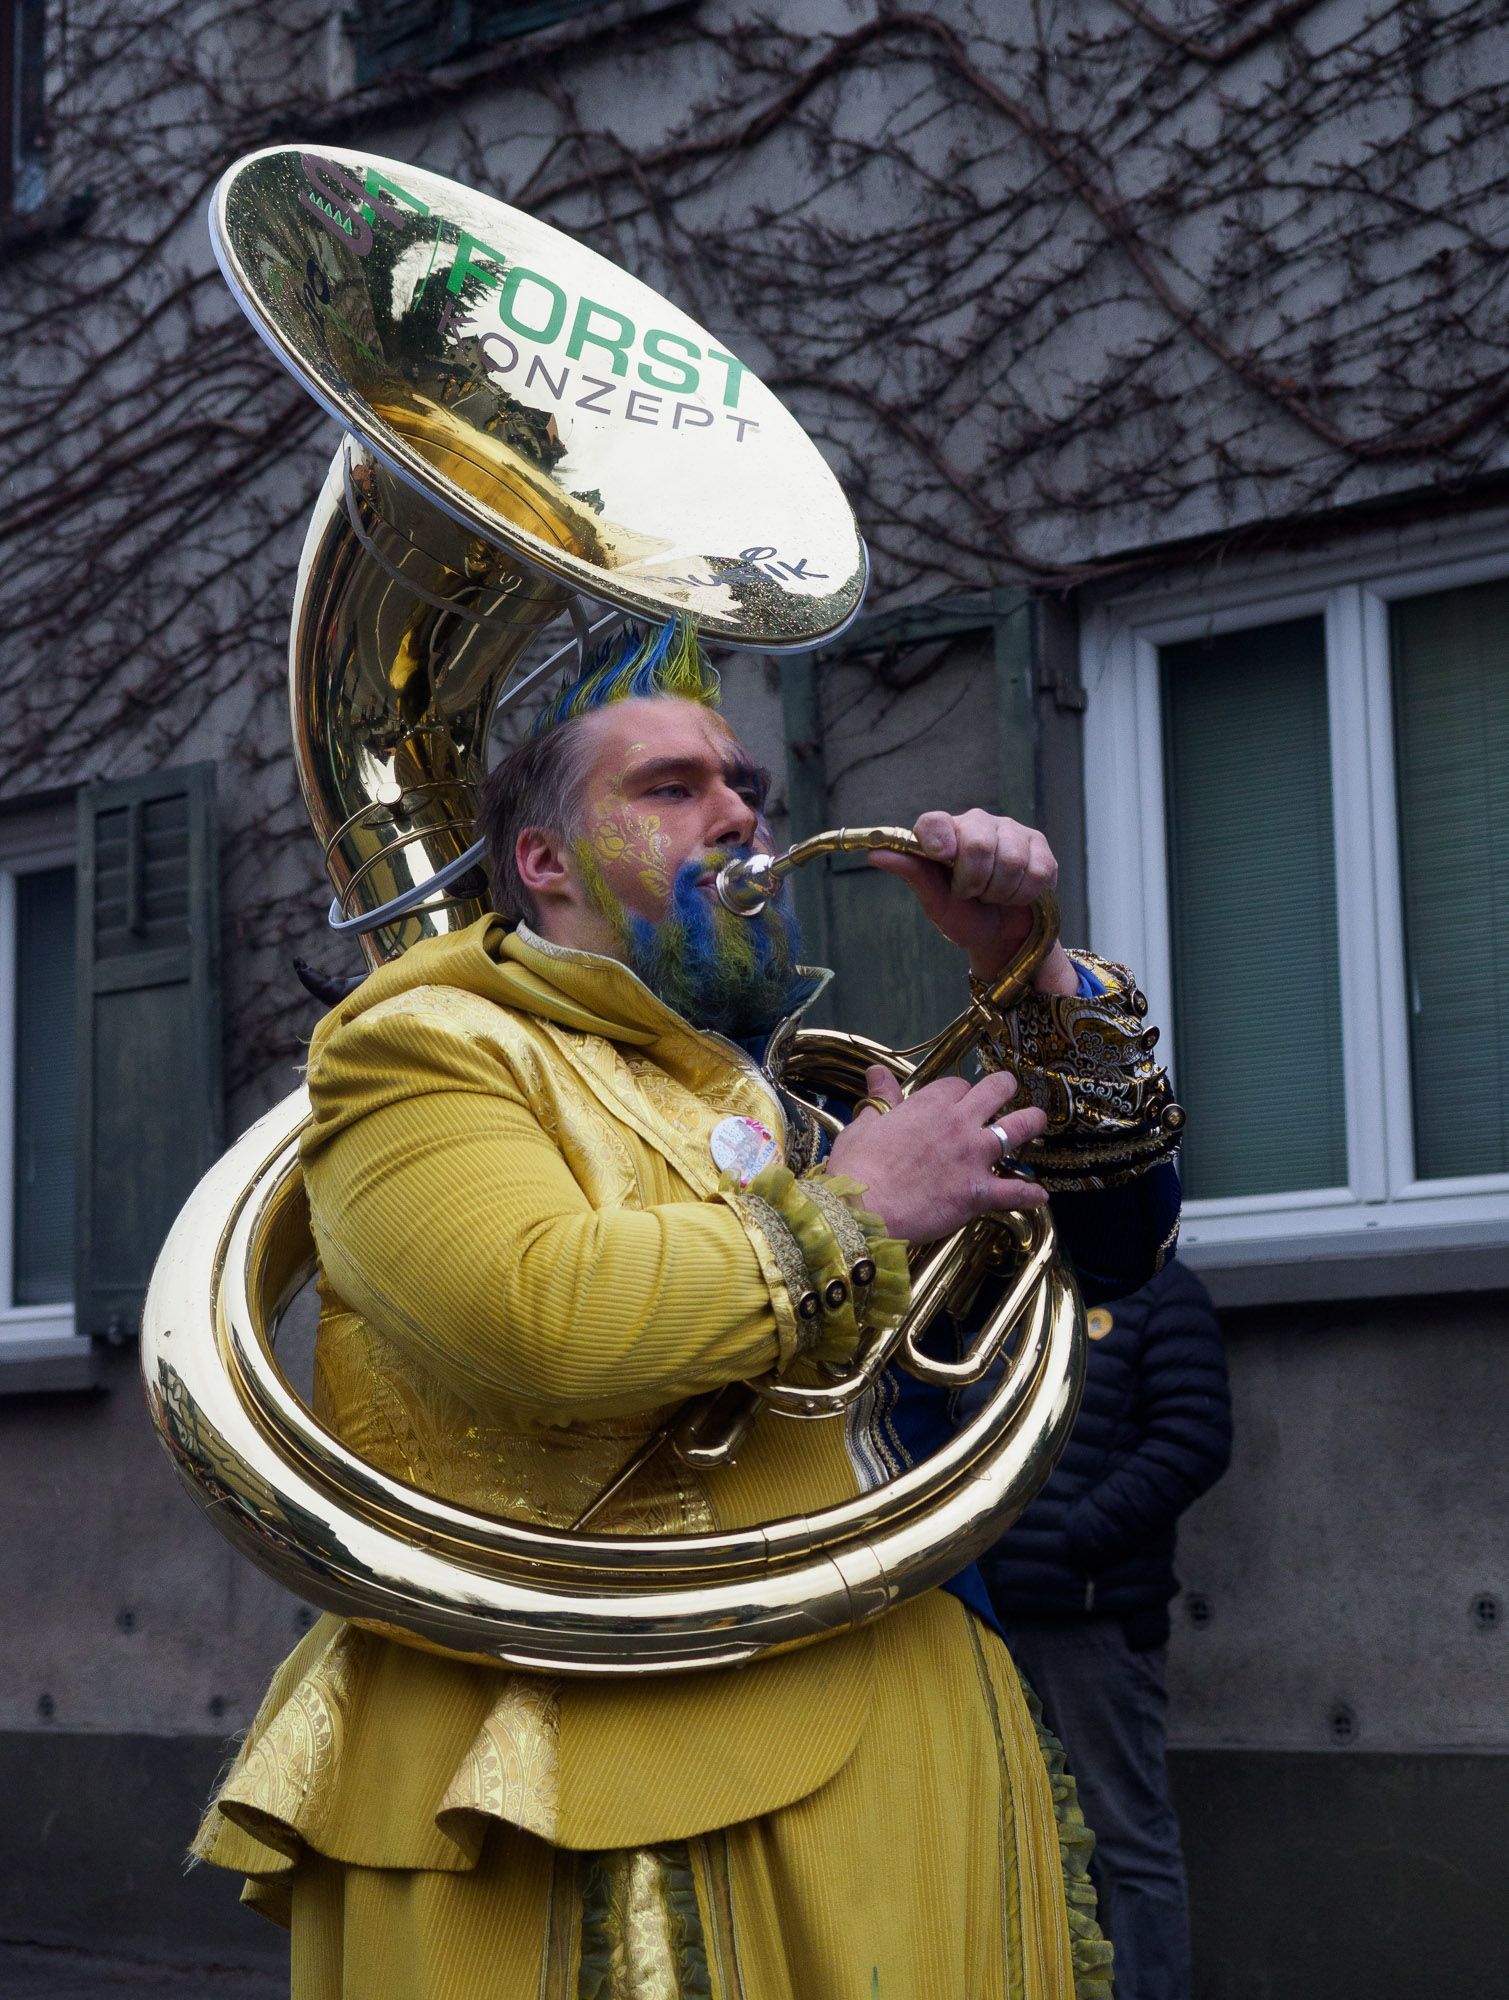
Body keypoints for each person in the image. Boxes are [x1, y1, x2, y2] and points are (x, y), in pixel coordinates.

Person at [192, 619, 1181, 2000]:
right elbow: (539, 1321)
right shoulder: (422, 1046)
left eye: (747, 789)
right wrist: (855, 1209)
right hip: (584, 1758)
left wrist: (1029, 976)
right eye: (668, 788)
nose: (735, 813)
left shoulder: (793, 1089)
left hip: (909, 1709)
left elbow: (1121, 1247)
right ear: (542, 864)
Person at [981, 1258, 1232, 2000]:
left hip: (1091, 1621)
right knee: (1020, 1838)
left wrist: (1073, 1536)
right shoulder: (998, 1283)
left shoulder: (1160, 1290)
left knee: (1125, 1844)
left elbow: (1192, 1438)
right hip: (984, 1614)